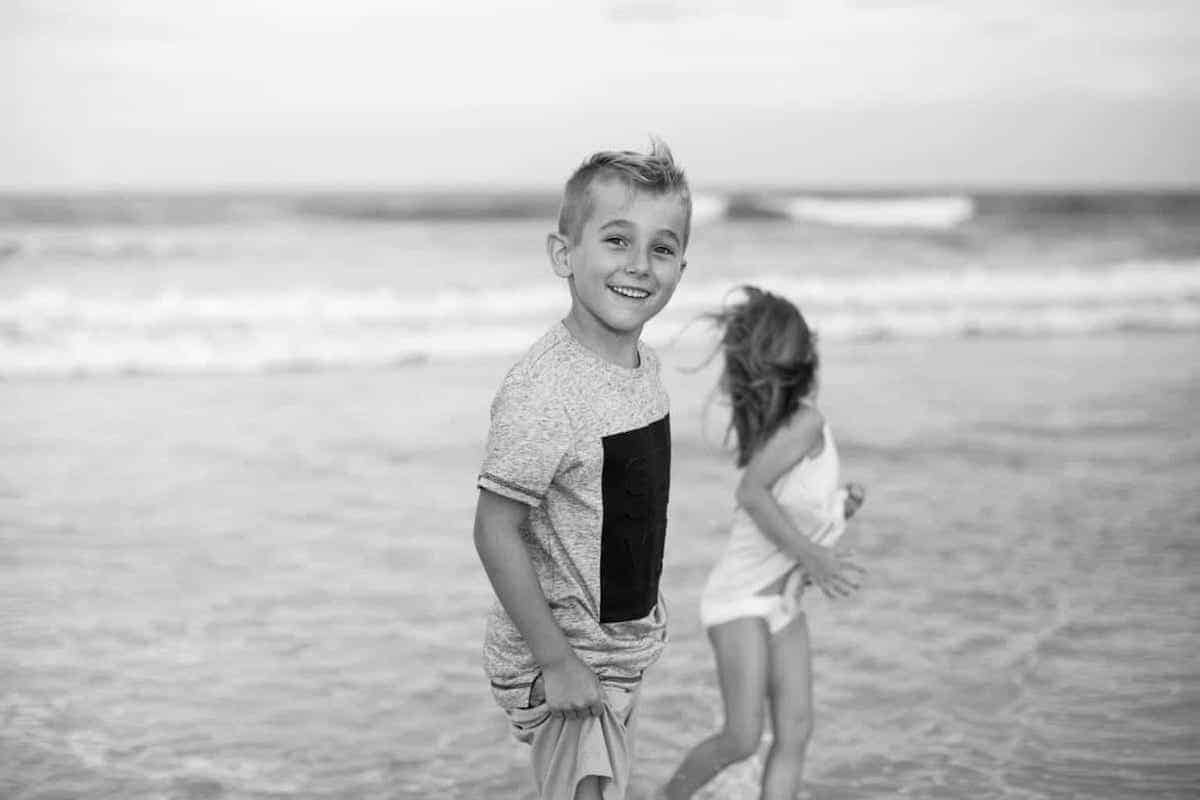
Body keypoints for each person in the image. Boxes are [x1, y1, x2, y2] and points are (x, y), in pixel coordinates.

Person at [473, 138, 692, 800]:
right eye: (617, 241)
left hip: (617, 654)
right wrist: (557, 663)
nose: (640, 266)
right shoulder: (545, 391)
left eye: (662, 247)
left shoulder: (642, 366)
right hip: (568, 663)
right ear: (564, 255)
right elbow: (493, 529)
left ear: (683, 263)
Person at [658, 286, 867, 800]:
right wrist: (815, 555)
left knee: (796, 733)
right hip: (739, 603)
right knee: (742, 737)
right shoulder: (806, 422)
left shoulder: (791, 429)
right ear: (806, 358)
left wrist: (840, 506)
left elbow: (794, 501)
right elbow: (751, 494)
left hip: (783, 602)